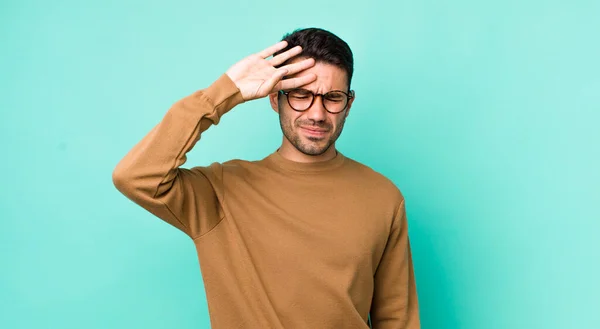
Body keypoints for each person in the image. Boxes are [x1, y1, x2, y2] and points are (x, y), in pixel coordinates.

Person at [112, 27, 420, 329]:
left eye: (333, 97)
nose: (317, 113)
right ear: (275, 98)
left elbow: (397, 320)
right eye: (301, 95)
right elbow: (136, 176)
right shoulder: (220, 192)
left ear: (349, 104)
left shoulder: (383, 197)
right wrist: (223, 93)